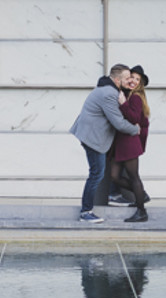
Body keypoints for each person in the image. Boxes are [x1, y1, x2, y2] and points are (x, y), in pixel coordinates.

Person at [70, 64, 141, 223]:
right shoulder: (109, 93)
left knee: (104, 167)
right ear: (117, 80)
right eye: (127, 78)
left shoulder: (109, 88)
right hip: (92, 138)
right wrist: (135, 129)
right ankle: (85, 212)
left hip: (93, 134)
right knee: (96, 173)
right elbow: (118, 122)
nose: (130, 80)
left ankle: (113, 194)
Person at [109, 65, 151, 222]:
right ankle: (141, 193)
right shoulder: (128, 95)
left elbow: (133, 118)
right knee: (114, 176)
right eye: (132, 77)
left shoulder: (135, 97)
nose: (133, 81)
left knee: (134, 177)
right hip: (122, 141)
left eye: (137, 79)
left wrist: (123, 103)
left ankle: (141, 211)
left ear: (140, 84)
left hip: (129, 142)